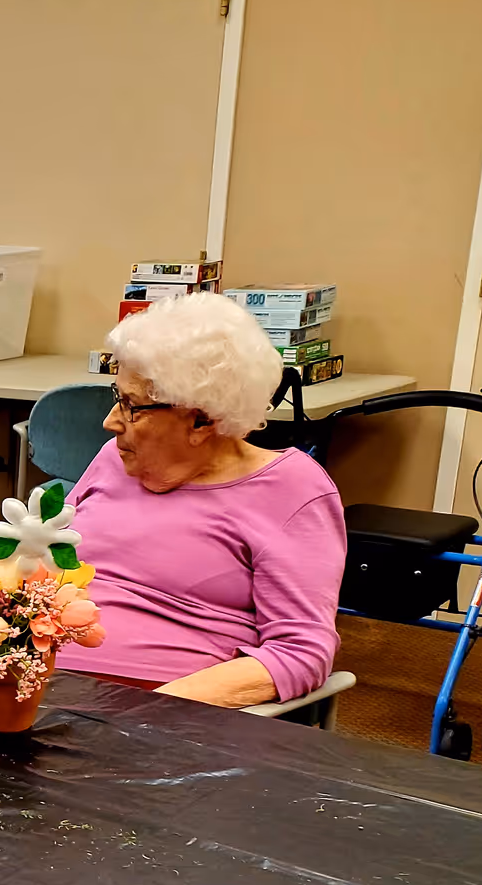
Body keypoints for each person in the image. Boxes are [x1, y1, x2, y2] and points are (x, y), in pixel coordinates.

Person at [53, 291, 347, 707]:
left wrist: (152, 714)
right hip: (33, 680)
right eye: (116, 398)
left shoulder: (292, 491)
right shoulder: (118, 458)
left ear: (201, 420)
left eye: (131, 405)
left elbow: (300, 653)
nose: (110, 422)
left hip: (151, 708)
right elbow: (46, 560)